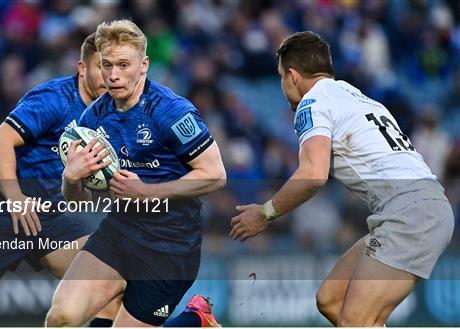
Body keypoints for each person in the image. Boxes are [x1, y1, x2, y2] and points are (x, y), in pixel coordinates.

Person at [230, 31, 454, 327]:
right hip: (417, 206)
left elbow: (312, 175)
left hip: (410, 213)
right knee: (331, 299)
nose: (283, 85)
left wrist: (265, 213)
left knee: (354, 321)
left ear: (293, 76)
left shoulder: (313, 102)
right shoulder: (355, 95)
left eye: (282, 76)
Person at [0, 33, 121, 327]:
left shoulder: (108, 117)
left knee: (107, 283)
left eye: (115, 68)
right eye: (101, 67)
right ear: (81, 67)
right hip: (3, 209)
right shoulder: (53, 98)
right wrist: (15, 198)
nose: (110, 76)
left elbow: (79, 197)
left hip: (49, 215)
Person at [45, 19, 226, 327]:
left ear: (144, 65)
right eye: (107, 65)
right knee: (61, 317)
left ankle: (196, 320)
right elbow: (79, 200)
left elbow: (215, 174)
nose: (114, 75)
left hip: (170, 247)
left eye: (123, 65)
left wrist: (149, 191)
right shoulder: (93, 118)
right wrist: (71, 178)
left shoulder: (171, 111)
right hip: (119, 232)